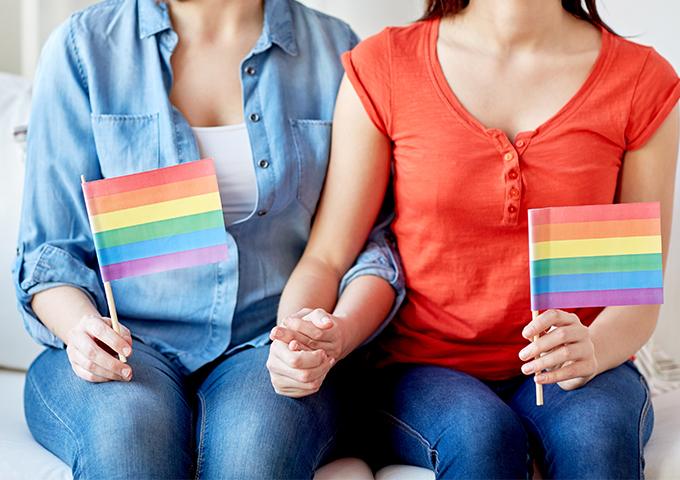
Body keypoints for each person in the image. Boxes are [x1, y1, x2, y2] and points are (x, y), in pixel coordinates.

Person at [274, 0, 680, 478]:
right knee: (482, 438)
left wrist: (591, 347)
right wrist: (295, 338)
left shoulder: (639, 80)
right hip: (422, 366)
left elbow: (637, 295)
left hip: (583, 358)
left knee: (597, 440)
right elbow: (327, 256)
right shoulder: (385, 65)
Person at [13, 0, 404, 478]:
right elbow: (49, 254)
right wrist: (80, 331)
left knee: (255, 452)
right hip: (126, 340)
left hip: (267, 343)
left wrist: (326, 336)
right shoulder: (84, 47)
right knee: (128, 440)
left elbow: (371, 247)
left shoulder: (335, 50)